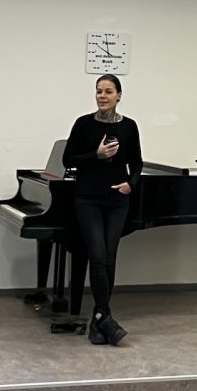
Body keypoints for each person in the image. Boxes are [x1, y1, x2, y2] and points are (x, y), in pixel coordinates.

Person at [61, 74, 143, 346]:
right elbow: (68, 159)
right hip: (88, 199)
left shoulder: (129, 126)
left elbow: (137, 163)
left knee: (109, 258)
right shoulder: (83, 124)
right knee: (97, 256)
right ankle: (104, 317)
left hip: (117, 200)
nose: (102, 96)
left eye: (108, 91)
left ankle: (99, 320)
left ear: (119, 95)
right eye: (99, 91)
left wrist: (130, 185)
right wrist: (95, 156)